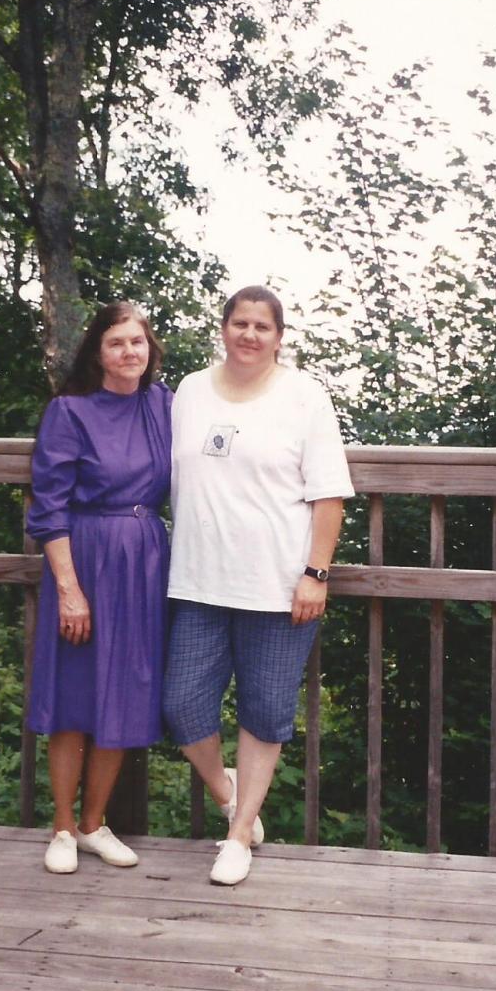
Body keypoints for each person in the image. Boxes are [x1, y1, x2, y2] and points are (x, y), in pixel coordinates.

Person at [163, 285, 354, 886]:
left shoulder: (304, 396)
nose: (249, 335)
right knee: (181, 704)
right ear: (222, 328)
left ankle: (239, 834)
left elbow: (329, 495)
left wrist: (315, 574)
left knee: (266, 711)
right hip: (197, 581)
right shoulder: (189, 391)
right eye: (239, 323)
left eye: (262, 327)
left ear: (279, 336)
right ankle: (228, 792)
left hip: (278, 589)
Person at [26, 301, 172, 874]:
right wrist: (69, 588)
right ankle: (61, 827)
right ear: (98, 353)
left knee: (126, 692)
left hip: (143, 560)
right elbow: (49, 506)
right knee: (73, 695)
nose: (129, 352)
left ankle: (94, 825)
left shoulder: (164, 405)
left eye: (138, 342)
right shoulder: (70, 411)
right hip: (84, 557)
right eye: (117, 343)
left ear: (149, 349)